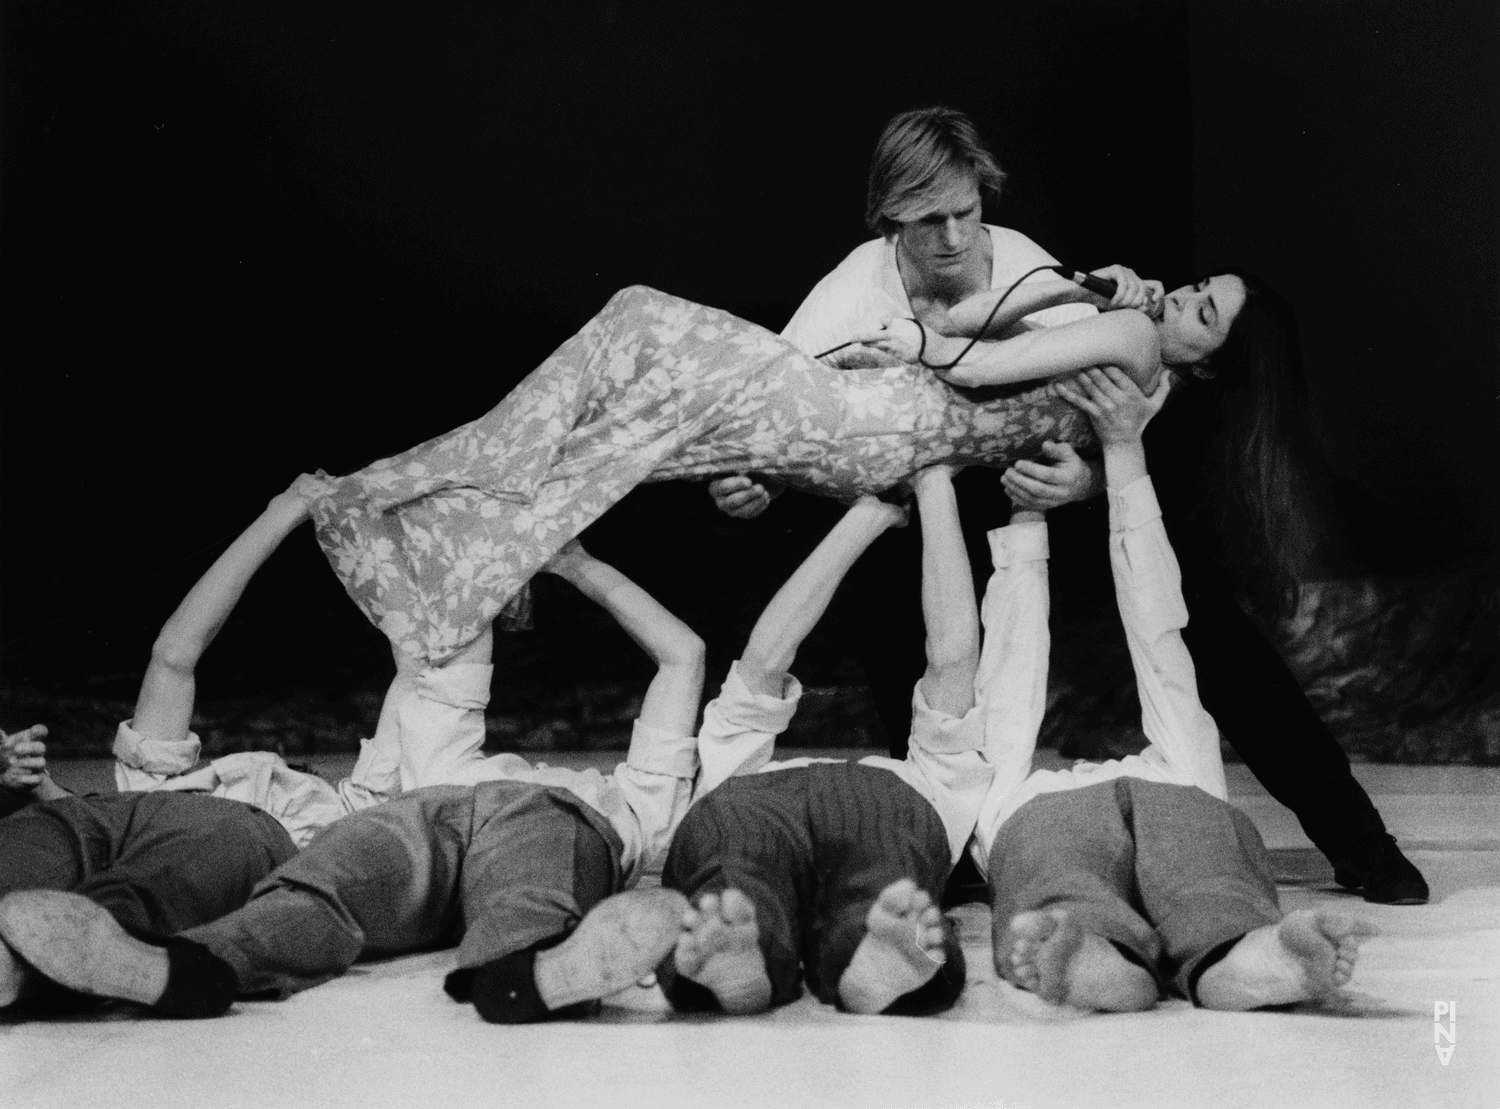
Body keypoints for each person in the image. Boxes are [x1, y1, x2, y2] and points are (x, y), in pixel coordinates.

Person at [0, 537, 703, 1023]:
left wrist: (528, 558)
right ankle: (130, 960)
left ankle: (524, 966)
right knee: (315, 876)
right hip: (398, 823)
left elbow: (681, 661)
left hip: (512, 824)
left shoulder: (370, 789)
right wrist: (499, 557)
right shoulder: (407, 773)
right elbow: (437, 653)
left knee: (515, 856)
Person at [978, 365, 1375, 1011]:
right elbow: (1152, 628)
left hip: (1047, 803)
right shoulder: (1176, 767)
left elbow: (1016, 661)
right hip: (1159, 789)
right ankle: (1207, 951)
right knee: (1196, 875)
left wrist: (1032, 518)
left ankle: (1150, 952)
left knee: (1061, 874)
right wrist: (1051, 501)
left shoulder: (1011, 786)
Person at [708, 106, 1100, 756]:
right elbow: (763, 419)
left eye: (966, 212)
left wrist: (1088, 481)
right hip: (900, 509)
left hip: (1013, 500)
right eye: (928, 220)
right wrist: (747, 483)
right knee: (893, 613)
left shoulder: (1028, 270)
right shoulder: (854, 292)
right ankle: (919, 805)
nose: (953, 236)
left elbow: (1134, 395)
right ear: (891, 215)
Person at [657, 470, 993, 1016]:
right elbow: (952, 657)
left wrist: (866, 518)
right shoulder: (938, 778)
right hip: (889, 805)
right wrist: (934, 486)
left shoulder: (731, 764)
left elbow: (767, 656)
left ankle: (744, 947)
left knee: (733, 875)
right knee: (891, 880)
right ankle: (874, 943)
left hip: (748, 802)